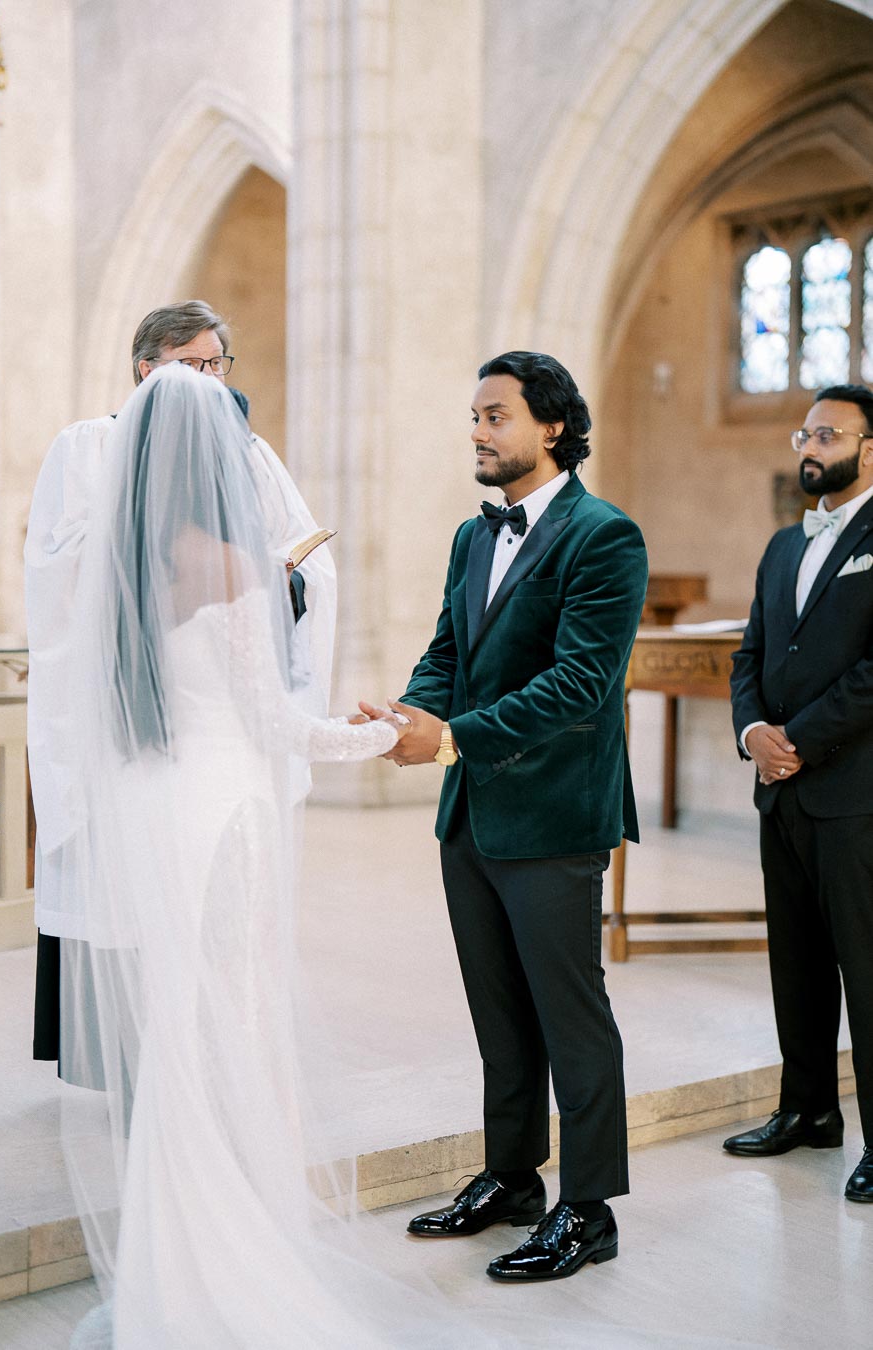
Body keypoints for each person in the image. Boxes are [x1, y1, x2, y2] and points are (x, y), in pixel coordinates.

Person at [34, 364, 423, 1348]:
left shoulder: (117, 568)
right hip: (224, 818)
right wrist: (381, 733)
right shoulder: (231, 565)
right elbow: (276, 723)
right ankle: (228, 1273)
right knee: (233, 1036)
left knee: (178, 1036)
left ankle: (170, 1268)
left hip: (157, 813)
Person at [363, 351, 648, 1282]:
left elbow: (579, 685)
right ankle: (512, 1177)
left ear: (552, 426)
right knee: (499, 1011)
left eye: (496, 416)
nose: (478, 432)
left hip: (557, 813)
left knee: (572, 1014)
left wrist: (447, 741)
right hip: (474, 814)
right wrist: (412, 714)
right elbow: (449, 649)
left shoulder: (605, 536)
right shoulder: (470, 538)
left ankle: (590, 1208)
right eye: (474, 417)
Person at [26, 300, 336, 1078]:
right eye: (194, 365)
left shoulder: (250, 451)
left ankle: (202, 1066)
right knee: (129, 888)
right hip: (131, 697)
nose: (209, 381)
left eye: (217, 365)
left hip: (217, 693)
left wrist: (265, 579)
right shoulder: (89, 446)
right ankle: (136, 1063)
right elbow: (57, 567)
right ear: (146, 368)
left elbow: (306, 554)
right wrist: (159, 564)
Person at [727, 383, 873, 1204]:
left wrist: (801, 741)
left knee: (868, 967)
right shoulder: (784, 545)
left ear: (870, 447)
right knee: (798, 962)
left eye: (828, 432)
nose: (810, 447)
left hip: (854, 790)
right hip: (779, 793)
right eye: (805, 433)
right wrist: (755, 735)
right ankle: (808, 1110)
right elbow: (751, 653)